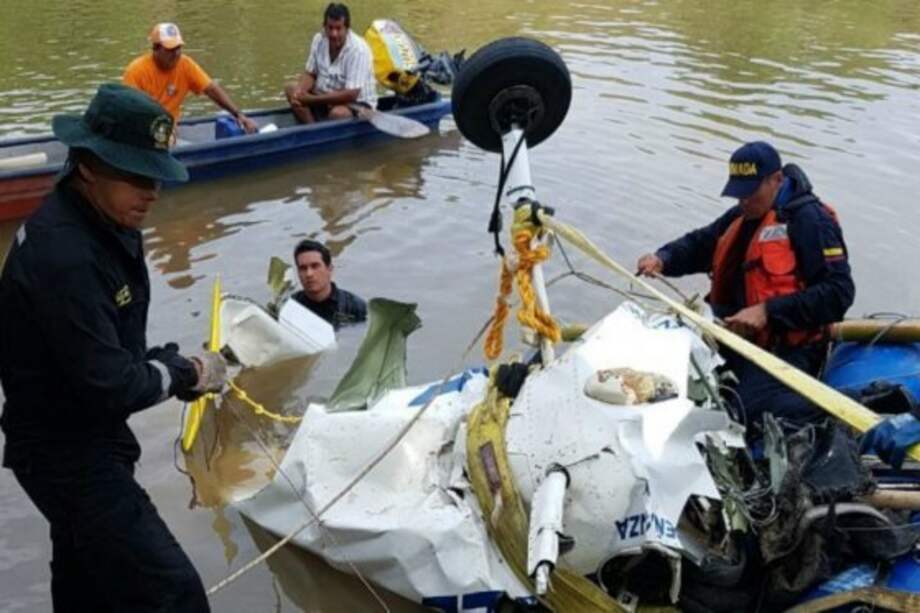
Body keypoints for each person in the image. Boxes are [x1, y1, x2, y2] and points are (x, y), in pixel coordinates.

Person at [0, 83, 227, 612]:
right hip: (66, 453)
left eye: (155, 176)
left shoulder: (110, 219)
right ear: (88, 165)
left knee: (84, 582)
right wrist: (185, 373)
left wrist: (162, 364)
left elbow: (114, 347)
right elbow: (110, 383)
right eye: (135, 175)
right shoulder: (65, 257)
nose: (151, 191)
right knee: (175, 592)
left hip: (86, 431)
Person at [636, 141, 854, 434]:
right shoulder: (743, 215)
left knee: (741, 415)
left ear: (776, 180)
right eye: (738, 194)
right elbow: (701, 243)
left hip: (789, 349)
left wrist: (768, 311)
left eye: (750, 193)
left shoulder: (810, 221)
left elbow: (839, 292)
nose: (743, 201)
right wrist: (663, 259)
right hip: (738, 335)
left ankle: (836, 413)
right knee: (665, 372)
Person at [123, 22, 257, 134]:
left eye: (178, 48)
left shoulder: (185, 65)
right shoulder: (136, 71)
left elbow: (211, 89)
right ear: (156, 48)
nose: (176, 54)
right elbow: (128, 111)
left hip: (168, 130)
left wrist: (239, 115)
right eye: (170, 49)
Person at [283, 3, 377, 124]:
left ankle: (316, 130)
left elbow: (351, 94)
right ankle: (313, 129)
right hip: (323, 96)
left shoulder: (358, 50)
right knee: (291, 88)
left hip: (355, 103)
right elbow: (311, 73)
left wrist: (311, 100)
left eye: (338, 28)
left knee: (337, 114)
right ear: (324, 26)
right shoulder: (319, 39)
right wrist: (299, 93)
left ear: (347, 29)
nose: (333, 34)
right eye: (330, 28)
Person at [291, 239, 366, 328]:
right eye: (303, 268)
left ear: (329, 269)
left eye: (315, 266)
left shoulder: (355, 307)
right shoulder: (291, 307)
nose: (309, 274)